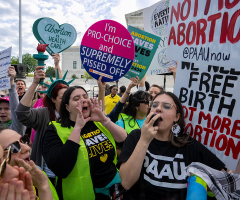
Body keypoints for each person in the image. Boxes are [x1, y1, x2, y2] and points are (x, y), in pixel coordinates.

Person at [118, 91, 225, 200]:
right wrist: (144, 140)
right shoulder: (136, 137)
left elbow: (226, 183)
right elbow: (126, 183)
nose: (158, 109)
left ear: (177, 117)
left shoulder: (191, 146)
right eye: (154, 105)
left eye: (166, 106)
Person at [42, 86, 127, 200]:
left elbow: (123, 139)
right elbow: (60, 168)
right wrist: (77, 127)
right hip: (83, 194)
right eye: (76, 98)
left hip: (113, 190)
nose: (83, 100)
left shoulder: (97, 122)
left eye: (85, 96)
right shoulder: (54, 130)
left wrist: (103, 119)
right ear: (67, 107)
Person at [15, 66, 67, 183]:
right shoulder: (44, 114)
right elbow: (21, 113)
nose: (67, 101)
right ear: (53, 99)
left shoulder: (76, 116)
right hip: (44, 174)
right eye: (63, 97)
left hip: (68, 176)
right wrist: (34, 83)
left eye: (70, 97)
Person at [0, 128, 54, 200]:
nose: (27, 147)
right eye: (14, 147)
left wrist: (43, 186)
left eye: (24, 140)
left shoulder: (39, 175)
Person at [0, 66, 26, 135]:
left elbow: (15, 108)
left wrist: (11, 82)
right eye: (0, 109)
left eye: (6, 109)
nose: (2, 112)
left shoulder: (17, 127)